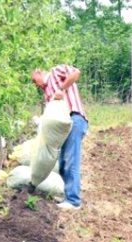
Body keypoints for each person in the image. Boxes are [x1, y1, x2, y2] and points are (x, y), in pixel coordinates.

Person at [31, 65, 88, 210]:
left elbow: (76, 72)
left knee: (71, 160)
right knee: (63, 162)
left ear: (39, 72)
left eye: (34, 80)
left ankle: (74, 201)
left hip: (74, 119)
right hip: (62, 128)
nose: (35, 84)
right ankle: (68, 196)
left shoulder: (56, 72)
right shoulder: (46, 92)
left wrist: (61, 89)